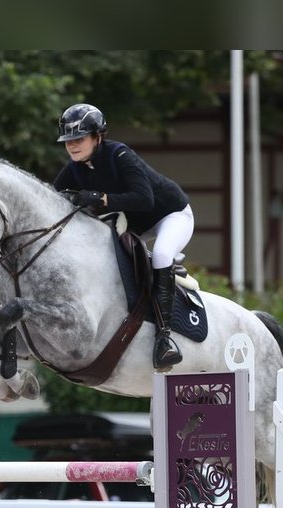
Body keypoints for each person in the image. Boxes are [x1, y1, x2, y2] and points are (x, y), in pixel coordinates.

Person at [53, 102, 193, 371]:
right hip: (134, 224)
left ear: (98, 136)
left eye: (79, 138)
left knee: (162, 253)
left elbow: (144, 199)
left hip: (170, 216)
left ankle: (165, 340)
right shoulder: (74, 168)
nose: (72, 145)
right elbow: (50, 195)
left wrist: (100, 198)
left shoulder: (120, 156)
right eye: (68, 140)